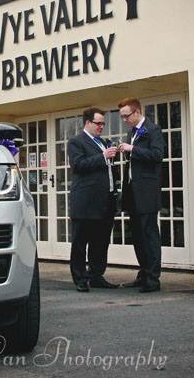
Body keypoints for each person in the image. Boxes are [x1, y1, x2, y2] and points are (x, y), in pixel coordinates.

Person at [67, 107, 120, 292]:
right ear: (88, 123)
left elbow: (106, 169)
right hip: (85, 202)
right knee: (81, 243)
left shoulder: (103, 142)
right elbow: (79, 165)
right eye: (98, 123)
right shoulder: (76, 142)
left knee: (101, 242)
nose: (102, 127)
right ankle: (80, 279)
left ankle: (96, 275)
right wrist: (102, 156)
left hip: (105, 201)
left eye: (103, 123)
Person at [117, 97, 166, 293]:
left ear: (137, 112)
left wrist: (133, 149)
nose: (124, 120)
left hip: (147, 193)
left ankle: (153, 280)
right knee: (137, 236)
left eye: (126, 116)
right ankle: (143, 274)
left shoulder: (153, 130)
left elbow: (157, 155)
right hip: (133, 192)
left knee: (149, 235)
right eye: (122, 117)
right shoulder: (132, 133)